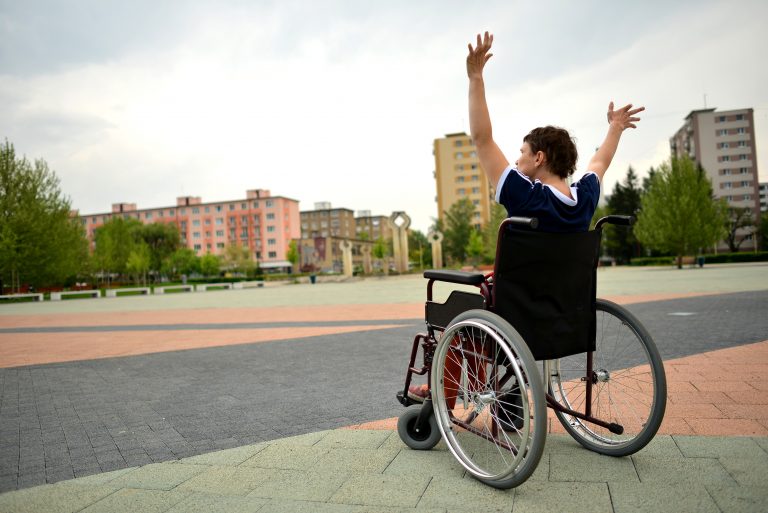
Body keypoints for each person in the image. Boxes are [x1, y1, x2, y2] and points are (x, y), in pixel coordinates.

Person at [408, 31, 644, 406]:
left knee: (458, 316)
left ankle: (445, 394)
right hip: (565, 313)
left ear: (539, 159)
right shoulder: (584, 198)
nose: (516, 159)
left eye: (521, 152)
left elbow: (482, 139)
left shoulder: (526, 196)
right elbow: (600, 162)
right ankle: (509, 395)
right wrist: (614, 128)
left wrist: (475, 79)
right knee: (485, 309)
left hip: (518, 314)